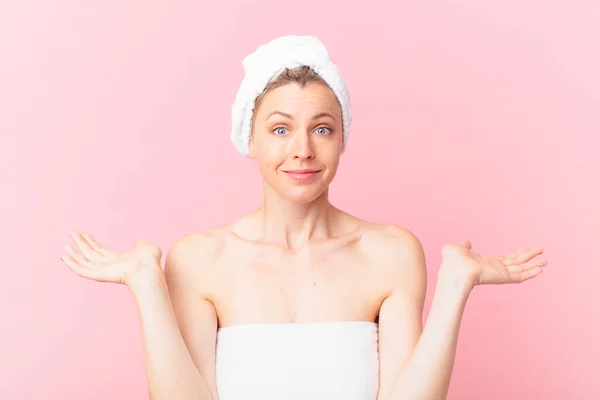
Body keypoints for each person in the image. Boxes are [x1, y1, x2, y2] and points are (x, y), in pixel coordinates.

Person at [60, 35, 548, 400]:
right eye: (280, 129)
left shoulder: (391, 252)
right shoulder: (199, 259)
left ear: (343, 138)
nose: (302, 150)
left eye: (322, 128)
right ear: (249, 139)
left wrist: (455, 286)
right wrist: (145, 283)